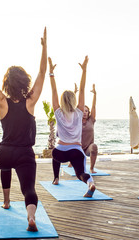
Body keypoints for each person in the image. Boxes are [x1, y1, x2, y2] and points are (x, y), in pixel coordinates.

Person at [0, 27, 47, 232]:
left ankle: (6, 201)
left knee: (5, 166)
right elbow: (42, 72)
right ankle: (31, 216)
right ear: (24, 82)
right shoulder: (30, 101)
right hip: (25, 154)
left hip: (3, 154)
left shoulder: (2, 102)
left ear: (7, 84)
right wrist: (44, 47)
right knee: (29, 189)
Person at [48, 55, 96, 197]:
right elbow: (81, 90)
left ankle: (56, 178)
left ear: (62, 101)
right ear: (74, 101)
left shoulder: (58, 112)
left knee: (54, 155)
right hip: (76, 151)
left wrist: (51, 73)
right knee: (81, 173)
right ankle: (90, 184)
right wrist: (84, 70)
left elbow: (54, 92)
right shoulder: (79, 112)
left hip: (60, 152)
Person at [69, 83, 98, 173]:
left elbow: (93, 107)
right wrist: (74, 93)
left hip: (88, 148)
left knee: (94, 147)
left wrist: (94, 95)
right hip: (78, 148)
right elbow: (72, 107)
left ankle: (92, 168)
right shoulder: (76, 120)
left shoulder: (91, 120)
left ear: (88, 113)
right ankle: (71, 161)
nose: (84, 112)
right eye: (83, 110)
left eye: (86, 111)